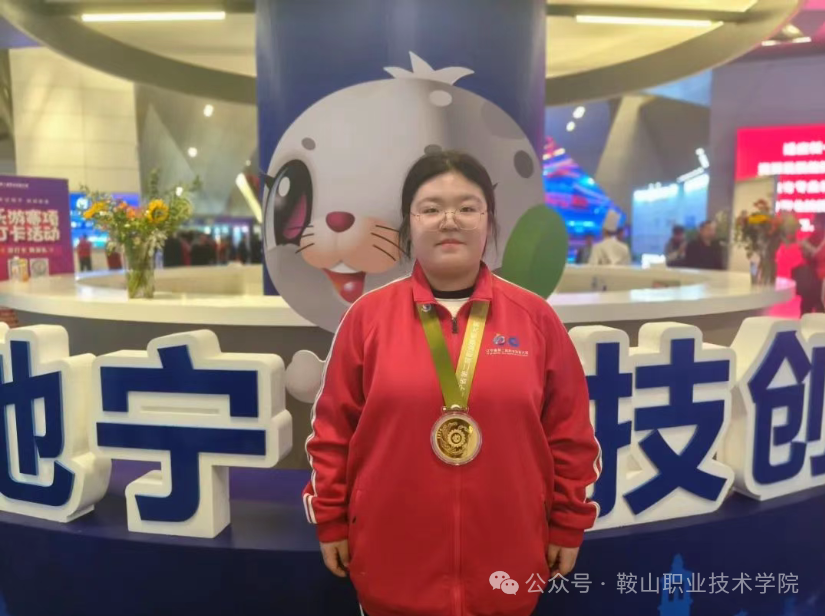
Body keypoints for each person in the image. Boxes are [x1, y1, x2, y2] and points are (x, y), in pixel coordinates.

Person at [302, 150, 601, 616]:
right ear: (410, 222)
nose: (449, 221)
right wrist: (331, 519)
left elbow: (570, 433)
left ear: (488, 220)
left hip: (507, 561)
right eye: (431, 208)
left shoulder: (535, 319)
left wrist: (567, 522)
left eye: (467, 207)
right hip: (391, 559)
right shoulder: (367, 319)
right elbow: (333, 432)